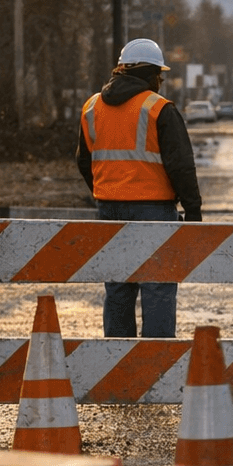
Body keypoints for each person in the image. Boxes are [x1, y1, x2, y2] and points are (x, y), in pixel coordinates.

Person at [76, 38, 202, 337]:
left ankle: (118, 367)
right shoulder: (159, 109)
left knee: (118, 287)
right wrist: (193, 209)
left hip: (108, 208)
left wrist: (108, 188)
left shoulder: (92, 107)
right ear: (148, 73)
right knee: (157, 288)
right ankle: (155, 364)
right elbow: (180, 165)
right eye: (159, 73)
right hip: (154, 210)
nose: (161, 79)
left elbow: (84, 161)